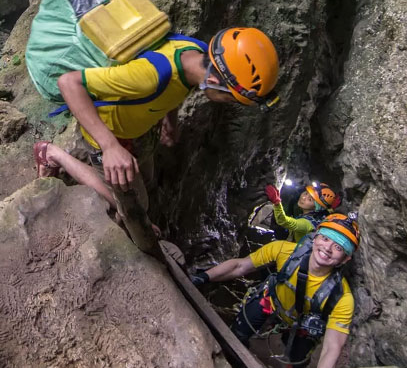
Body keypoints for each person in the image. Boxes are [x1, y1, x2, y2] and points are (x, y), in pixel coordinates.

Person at [34, 27, 280, 252]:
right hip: (109, 133)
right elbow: (69, 83)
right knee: (128, 203)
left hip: (140, 127)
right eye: (231, 98)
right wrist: (109, 147)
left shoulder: (196, 54)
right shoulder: (147, 77)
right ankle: (52, 153)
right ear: (215, 81)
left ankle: (142, 205)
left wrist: (170, 119)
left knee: (148, 181)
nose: (228, 103)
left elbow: (176, 86)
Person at [190, 214, 359, 368]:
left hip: (302, 325)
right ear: (315, 237)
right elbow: (240, 266)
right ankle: (233, 366)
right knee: (238, 334)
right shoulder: (285, 251)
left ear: (346, 259)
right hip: (271, 303)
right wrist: (203, 277)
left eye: (338, 247)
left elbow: (332, 347)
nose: (327, 248)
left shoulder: (341, 297)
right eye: (324, 238)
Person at [266, 181, 340, 243]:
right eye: (306, 193)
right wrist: (331, 208)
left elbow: (283, 221)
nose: (303, 198)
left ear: (316, 207)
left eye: (310, 199)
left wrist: (276, 202)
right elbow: (325, 209)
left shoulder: (306, 224)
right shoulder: (320, 215)